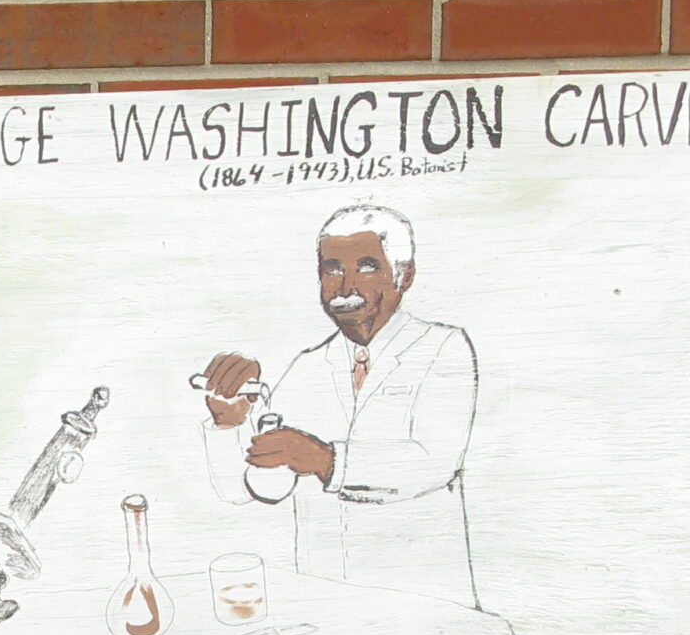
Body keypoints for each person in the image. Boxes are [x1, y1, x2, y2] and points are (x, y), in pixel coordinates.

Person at [198, 203, 482, 608]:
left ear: (404, 275)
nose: (345, 287)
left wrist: (325, 460)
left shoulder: (443, 347)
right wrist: (229, 422)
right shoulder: (307, 367)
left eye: (366, 267)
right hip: (328, 600)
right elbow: (248, 490)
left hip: (423, 599)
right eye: (332, 270)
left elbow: (434, 461)